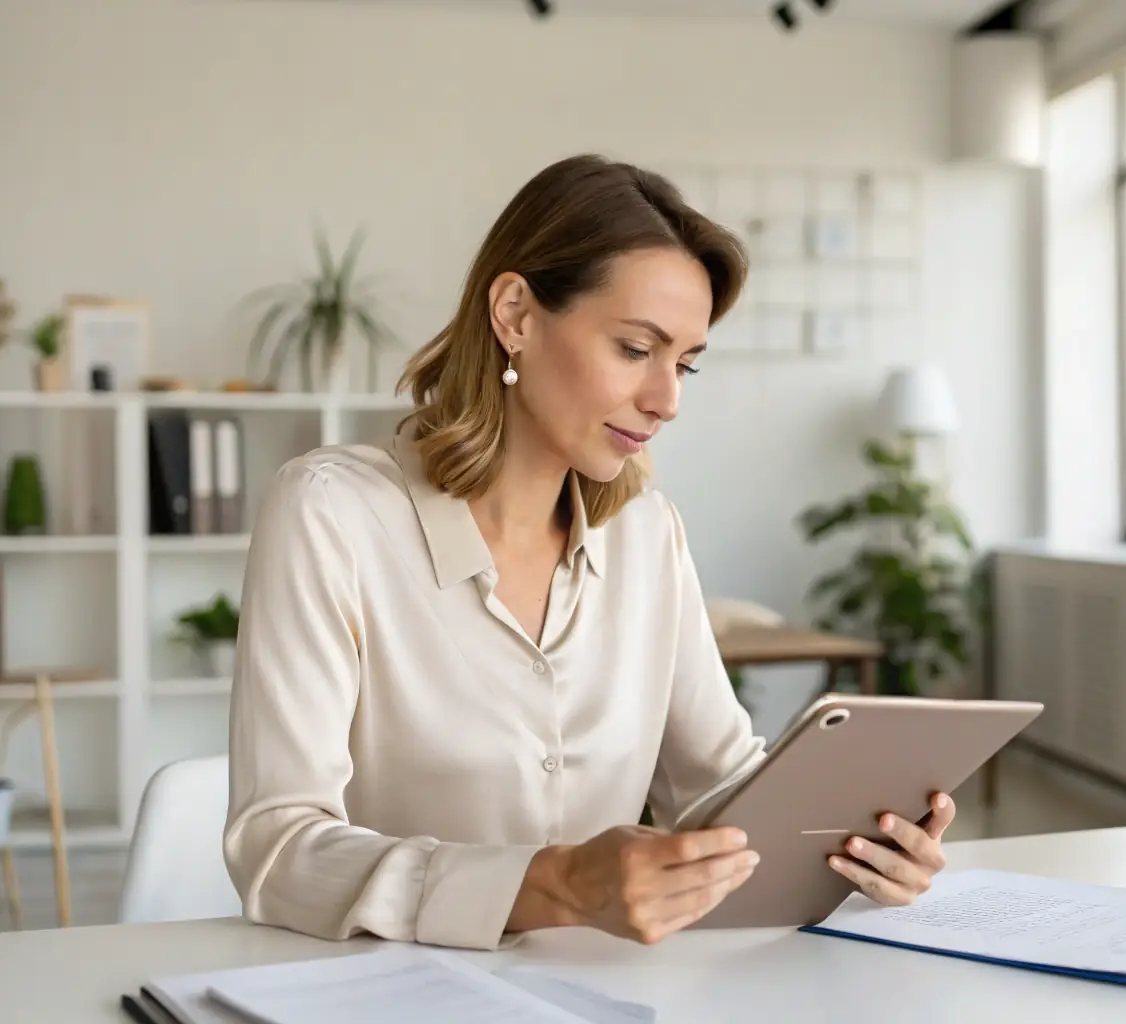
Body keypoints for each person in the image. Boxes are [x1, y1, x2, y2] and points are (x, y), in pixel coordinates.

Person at [222, 154, 956, 953]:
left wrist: (854, 838)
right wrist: (555, 884)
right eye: (636, 349)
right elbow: (279, 846)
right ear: (515, 314)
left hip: (613, 993)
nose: (667, 399)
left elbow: (716, 786)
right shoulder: (333, 512)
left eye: (684, 363)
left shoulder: (645, 532)